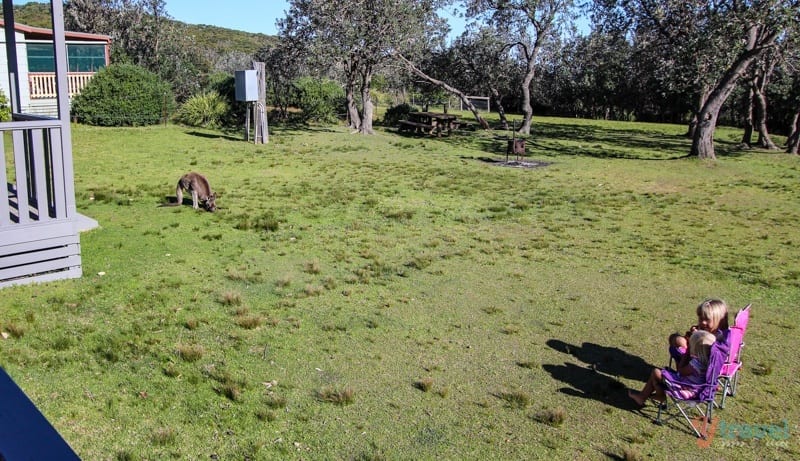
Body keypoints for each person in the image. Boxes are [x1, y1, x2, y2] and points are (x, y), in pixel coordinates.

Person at [629, 330, 717, 406]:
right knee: (660, 376)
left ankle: (647, 396)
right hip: (701, 390)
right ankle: (655, 395)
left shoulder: (696, 364)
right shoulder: (713, 363)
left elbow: (681, 372)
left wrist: (686, 354)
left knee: (656, 372)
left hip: (687, 390)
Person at [669, 299, 729, 365]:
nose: (703, 322)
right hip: (693, 353)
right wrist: (695, 331)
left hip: (701, 359)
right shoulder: (709, 329)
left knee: (679, 342)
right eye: (701, 318)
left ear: (719, 320)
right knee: (675, 338)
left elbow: (706, 349)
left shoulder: (719, 336)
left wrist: (696, 336)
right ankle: (681, 367)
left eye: (707, 319)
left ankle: (682, 369)